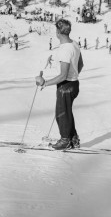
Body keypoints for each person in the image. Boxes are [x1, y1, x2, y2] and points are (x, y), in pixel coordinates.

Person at [35, 19, 84, 150]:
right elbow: (80, 64)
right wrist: (74, 76)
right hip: (74, 84)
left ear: (58, 32)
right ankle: (74, 139)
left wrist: (45, 83)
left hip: (66, 86)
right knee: (67, 113)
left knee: (61, 114)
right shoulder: (74, 44)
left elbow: (63, 75)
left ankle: (65, 140)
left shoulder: (65, 50)